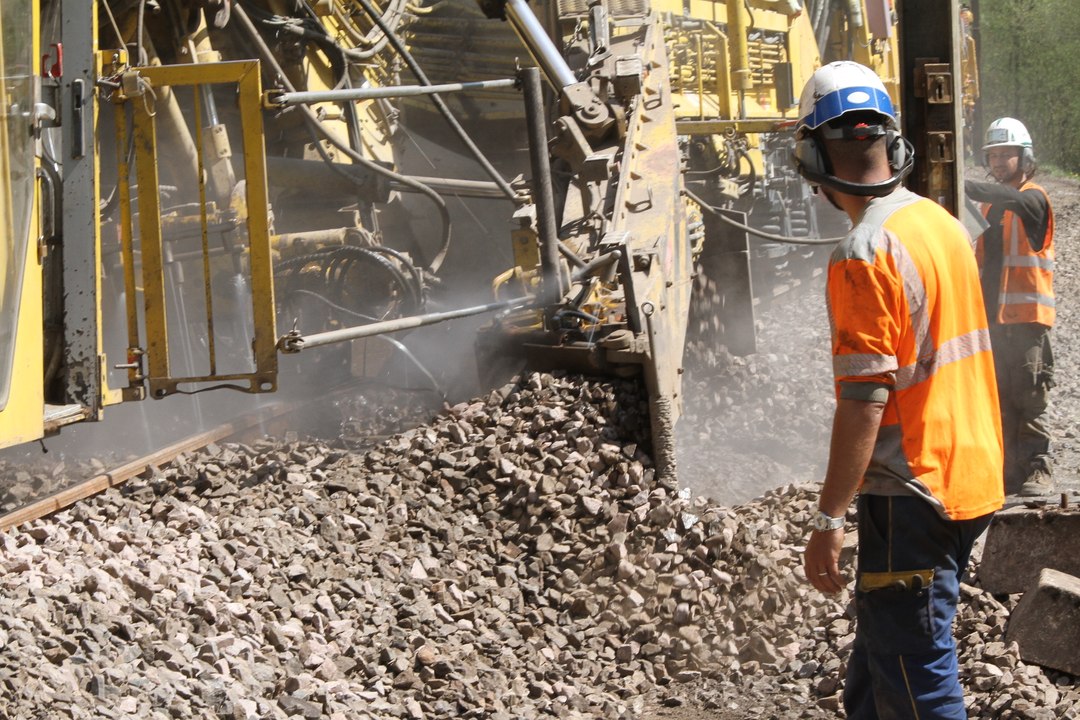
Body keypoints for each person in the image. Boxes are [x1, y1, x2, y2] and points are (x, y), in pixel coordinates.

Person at [792, 61, 1004, 719]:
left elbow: (865, 401)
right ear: (893, 141)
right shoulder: (939, 223)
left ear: (811, 155)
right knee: (885, 651)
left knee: (917, 680)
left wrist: (828, 519)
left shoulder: (862, 252)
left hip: (912, 493)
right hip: (971, 475)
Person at [965, 118, 1056, 497]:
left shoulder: (1032, 199)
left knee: (1029, 397)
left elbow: (1013, 199)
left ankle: (1039, 467)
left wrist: (954, 181)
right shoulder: (989, 207)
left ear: (1025, 157)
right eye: (994, 155)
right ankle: (1008, 472)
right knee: (1000, 398)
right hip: (992, 320)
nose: (999, 162)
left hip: (1025, 320)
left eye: (1007, 155)